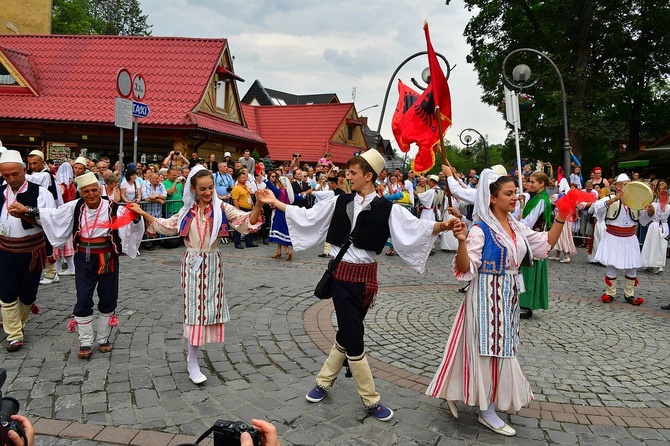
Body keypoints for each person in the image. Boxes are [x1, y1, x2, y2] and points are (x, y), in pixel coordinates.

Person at [258, 149, 458, 422]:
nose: (348, 177)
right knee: (354, 335)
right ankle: (371, 399)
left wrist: (445, 225)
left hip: (367, 281)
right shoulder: (340, 201)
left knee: (347, 332)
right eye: (348, 172)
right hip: (341, 277)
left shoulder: (388, 208)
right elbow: (307, 214)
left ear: (368, 176)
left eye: (353, 173)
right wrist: (274, 202)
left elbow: (416, 228)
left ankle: (324, 381)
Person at [426, 168, 567, 436]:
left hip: (510, 293)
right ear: (492, 198)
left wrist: (561, 216)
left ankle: (459, 391)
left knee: (495, 347)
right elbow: (466, 269)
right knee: (490, 351)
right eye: (509, 193)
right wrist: (462, 242)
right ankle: (487, 410)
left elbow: (545, 245)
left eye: (515, 192)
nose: (515, 197)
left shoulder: (517, 226)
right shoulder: (481, 230)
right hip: (485, 294)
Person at [128, 166, 264, 384]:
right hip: (191, 263)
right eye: (203, 189)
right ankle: (192, 361)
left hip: (212, 263)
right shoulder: (187, 211)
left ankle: (194, 358)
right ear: (193, 188)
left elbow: (245, 222)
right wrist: (142, 212)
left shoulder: (222, 209)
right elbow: (167, 226)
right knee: (194, 310)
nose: (208, 192)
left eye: (210, 188)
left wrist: (258, 203)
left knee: (207, 309)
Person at [26, 172, 144, 359]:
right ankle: (85, 341)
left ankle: (103, 339)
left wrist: (136, 218)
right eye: (86, 191)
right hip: (83, 258)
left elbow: (130, 223)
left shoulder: (113, 207)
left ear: (100, 190)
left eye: (94, 190)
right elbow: (53, 215)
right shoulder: (75, 206)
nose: (91, 194)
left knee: (108, 297)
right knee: (83, 298)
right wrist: (29, 210)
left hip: (107, 258)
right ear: (81, 192)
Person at [0, 150, 56, 351]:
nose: (11, 179)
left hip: (32, 251)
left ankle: (19, 322)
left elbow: (51, 224)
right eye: (6, 176)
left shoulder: (41, 193)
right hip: (4, 250)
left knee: (27, 295)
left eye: (15, 174)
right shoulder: (0, 191)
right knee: (6, 293)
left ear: (24, 170)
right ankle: (14, 334)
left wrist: (26, 213)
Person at [592, 173, 644, 306]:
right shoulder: (610, 198)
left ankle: (629, 294)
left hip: (630, 237)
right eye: (625, 185)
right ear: (618, 187)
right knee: (612, 265)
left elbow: (643, 220)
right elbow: (597, 208)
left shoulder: (636, 201)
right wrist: (613, 200)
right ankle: (610, 293)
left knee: (632, 267)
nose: (628, 187)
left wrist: (649, 211)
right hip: (613, 236)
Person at [25, 150, 60, 286]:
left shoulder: (45, 175)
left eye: (35, 163)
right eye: (30, 164)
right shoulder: (37, 174)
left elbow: (33, 180)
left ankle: (51, 273)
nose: (32, 166)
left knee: (46, 243)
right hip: (38, 212)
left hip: (46, 211)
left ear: (42, 162)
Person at [640, 180, 669, 276]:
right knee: (652, 244)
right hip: (655, 225)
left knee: (662, 245)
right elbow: (650, 213)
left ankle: (659, 264)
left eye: (663, 188)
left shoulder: (668, 201)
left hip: (663, 225)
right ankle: (650, 263)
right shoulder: (654, 200)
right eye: (659, 188)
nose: (661, 190)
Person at [231, 168, 257, 249]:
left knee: (248, 225)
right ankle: (237, 243)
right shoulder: (236, 188)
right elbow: (235, 200)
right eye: (243, 178)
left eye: (246, 177)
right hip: (241, 208)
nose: (245, 179)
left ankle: (249, 242)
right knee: (239, 226)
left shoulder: (246, 186)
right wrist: (238, 211)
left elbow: (250, 196)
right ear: (238, 178)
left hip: (249, 208)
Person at [141, 172, 167, 251]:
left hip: (158, 212)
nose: (158, 180)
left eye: (158, 178)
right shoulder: (145, 185)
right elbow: (146, 198)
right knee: (148, 229)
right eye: (156, 179)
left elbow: (165, 196)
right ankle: (148, 244)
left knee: (156, 228)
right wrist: (159, 199)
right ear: (150, 179)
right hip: (148, 212)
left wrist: (155, 196)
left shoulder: (161, 185)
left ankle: (155, 242)